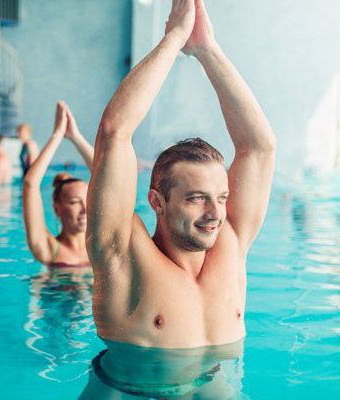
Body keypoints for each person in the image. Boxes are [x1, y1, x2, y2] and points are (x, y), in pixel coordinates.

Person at [88, 0, 276, 352]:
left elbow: (259, 147)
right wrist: (173, 40)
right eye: (196, 198)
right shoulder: (122, 257)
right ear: (157, 200)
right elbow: (115, 133)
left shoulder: (231, 246)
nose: (215, 213)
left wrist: (207, 49)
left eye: (220, 198)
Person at [23, 101, 94, 268]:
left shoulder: (100, 247)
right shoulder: (47, 248)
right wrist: (57, 135)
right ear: (57, 208)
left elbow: (107, 176)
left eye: (87, 200)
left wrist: (76, 136)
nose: (85, 209)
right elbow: (30, 184)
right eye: (75, 202)